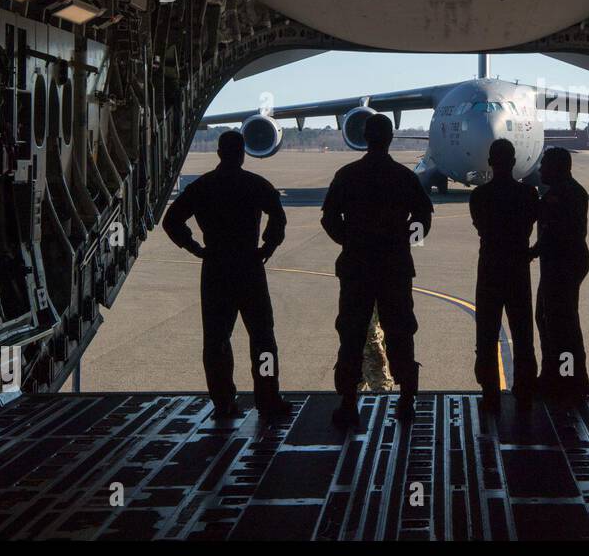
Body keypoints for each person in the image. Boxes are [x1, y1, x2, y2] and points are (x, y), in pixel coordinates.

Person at [162, 130, 290, 422]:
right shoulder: (256, 185)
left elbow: (171, 221)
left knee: (217, 341)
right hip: (249, 266)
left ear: (219, 153)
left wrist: (194, 247)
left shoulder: (203, 186)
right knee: (263, 339)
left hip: (216, 267)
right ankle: (268, 398)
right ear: (243, 153)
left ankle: (223, 402)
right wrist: (268, 246)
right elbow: (278, 216)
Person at [321, 113, 433, 429]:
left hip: (357, 266)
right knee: (401, 331)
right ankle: (407, 400)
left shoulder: (348, 175)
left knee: (352, 333)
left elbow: (329, 218)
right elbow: (423, 216)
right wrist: (405, 242)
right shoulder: (403, 177)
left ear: (366, 137)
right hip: (394, 267)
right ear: (390, 137)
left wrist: (351, 241)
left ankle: (347, 403)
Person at [468, 139, 539, 409]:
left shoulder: (479, 196)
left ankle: (490, 393)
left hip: (489, 268)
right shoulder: (529, 195)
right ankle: (524, 390)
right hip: (518, 267)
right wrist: (530, 250)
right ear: (513, 162)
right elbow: (533, 221)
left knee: (486, 334)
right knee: (523, 334)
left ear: (490, 162)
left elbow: (480, 226)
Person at [529, 146, 589, 400]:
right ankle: (556, 375)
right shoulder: (567, 192)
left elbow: (555, 233)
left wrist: (532, 252)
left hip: (563, 265)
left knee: (561, 326)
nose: (541, 168)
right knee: (548, 319)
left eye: (545, 164)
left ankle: (567, 380)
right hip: (563, 263)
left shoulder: (563, 195)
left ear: (557, 168)